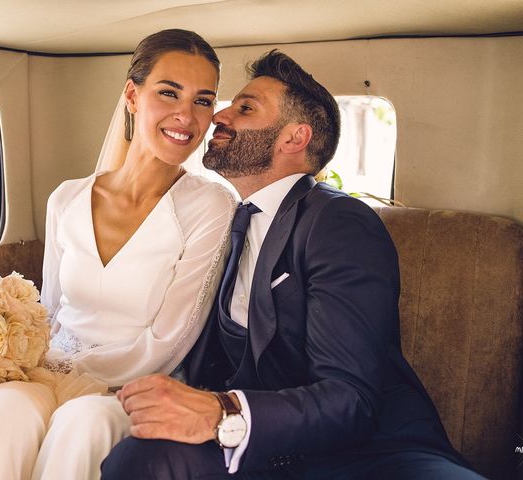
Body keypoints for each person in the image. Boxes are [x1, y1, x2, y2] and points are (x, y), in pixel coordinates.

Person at [102, 50, 485, 479]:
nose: (219, 116)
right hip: (261, 451)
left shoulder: (337, 221)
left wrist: (220, 411)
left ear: (293, 139)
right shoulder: (222, 220)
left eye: (245, 107)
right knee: (138, 458)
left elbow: (350, 398)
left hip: (367, 454)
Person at [0, 29, 235, 480]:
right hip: (45, 369)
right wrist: (21, 365)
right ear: (132, 94)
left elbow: (168, 343)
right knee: (3, 411)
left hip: (131, 386)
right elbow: (45, 313)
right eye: (169, 93)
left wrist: (66, 373)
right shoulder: (67, 199)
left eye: (203, 101)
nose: (186, 115)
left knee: (80, 422)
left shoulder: (210, 206)